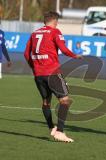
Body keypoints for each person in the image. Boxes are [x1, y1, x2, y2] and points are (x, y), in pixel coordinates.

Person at [24, 11, 82, 143]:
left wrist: (34, 67)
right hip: (53, 73)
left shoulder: (34, 34)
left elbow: (26, 54)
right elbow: (63, 48)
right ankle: (60, 132)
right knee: (65, 101)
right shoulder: (55, 32)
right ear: (55, 21)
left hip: (38, 74)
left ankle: (51, 127)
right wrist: (75, 56)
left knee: (46, 102)